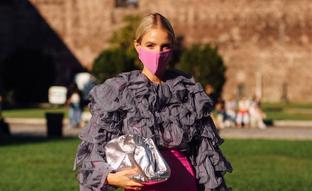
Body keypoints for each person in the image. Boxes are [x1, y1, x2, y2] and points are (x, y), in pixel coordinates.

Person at [74, 13, 232, 191]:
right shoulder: (117, 93)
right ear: (137, 45)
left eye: (165, 46)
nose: (158, 53)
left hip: (186, 185)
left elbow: (206, 156)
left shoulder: (188, 92)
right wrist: (111, 178)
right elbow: (92, 153)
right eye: (150, 45)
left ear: (172, 49)